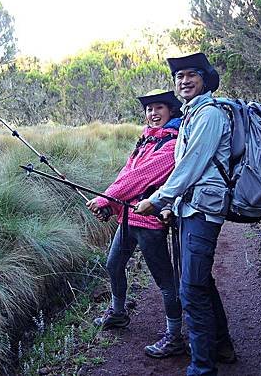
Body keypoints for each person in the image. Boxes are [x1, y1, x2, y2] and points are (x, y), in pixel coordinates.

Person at [134, 53, 236, 376]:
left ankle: (202, 367)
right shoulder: (193, 114)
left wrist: (157, 198)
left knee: (190, 289)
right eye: (179, 76)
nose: (184, 80)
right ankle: (222, 346)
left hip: (203, 212)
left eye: (192, 74)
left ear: (204, 79)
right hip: (189, 209)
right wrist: (170, 206)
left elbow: (190, 167)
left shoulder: (208, 115)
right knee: (200, 281)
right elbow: (186, 169)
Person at [86, 89, 185, 358]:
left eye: (159, 108)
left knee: (165, 281)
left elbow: (140, 178)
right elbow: (126, 173)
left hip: (150, 222)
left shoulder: (172, 144)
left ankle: (175, 336)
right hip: (129, 217)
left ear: (171, 111)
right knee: (113, 264)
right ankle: (118, 313)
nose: (153, 114)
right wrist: (110, 204)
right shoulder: (146, 139)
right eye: (149, 109)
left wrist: (104, 198)